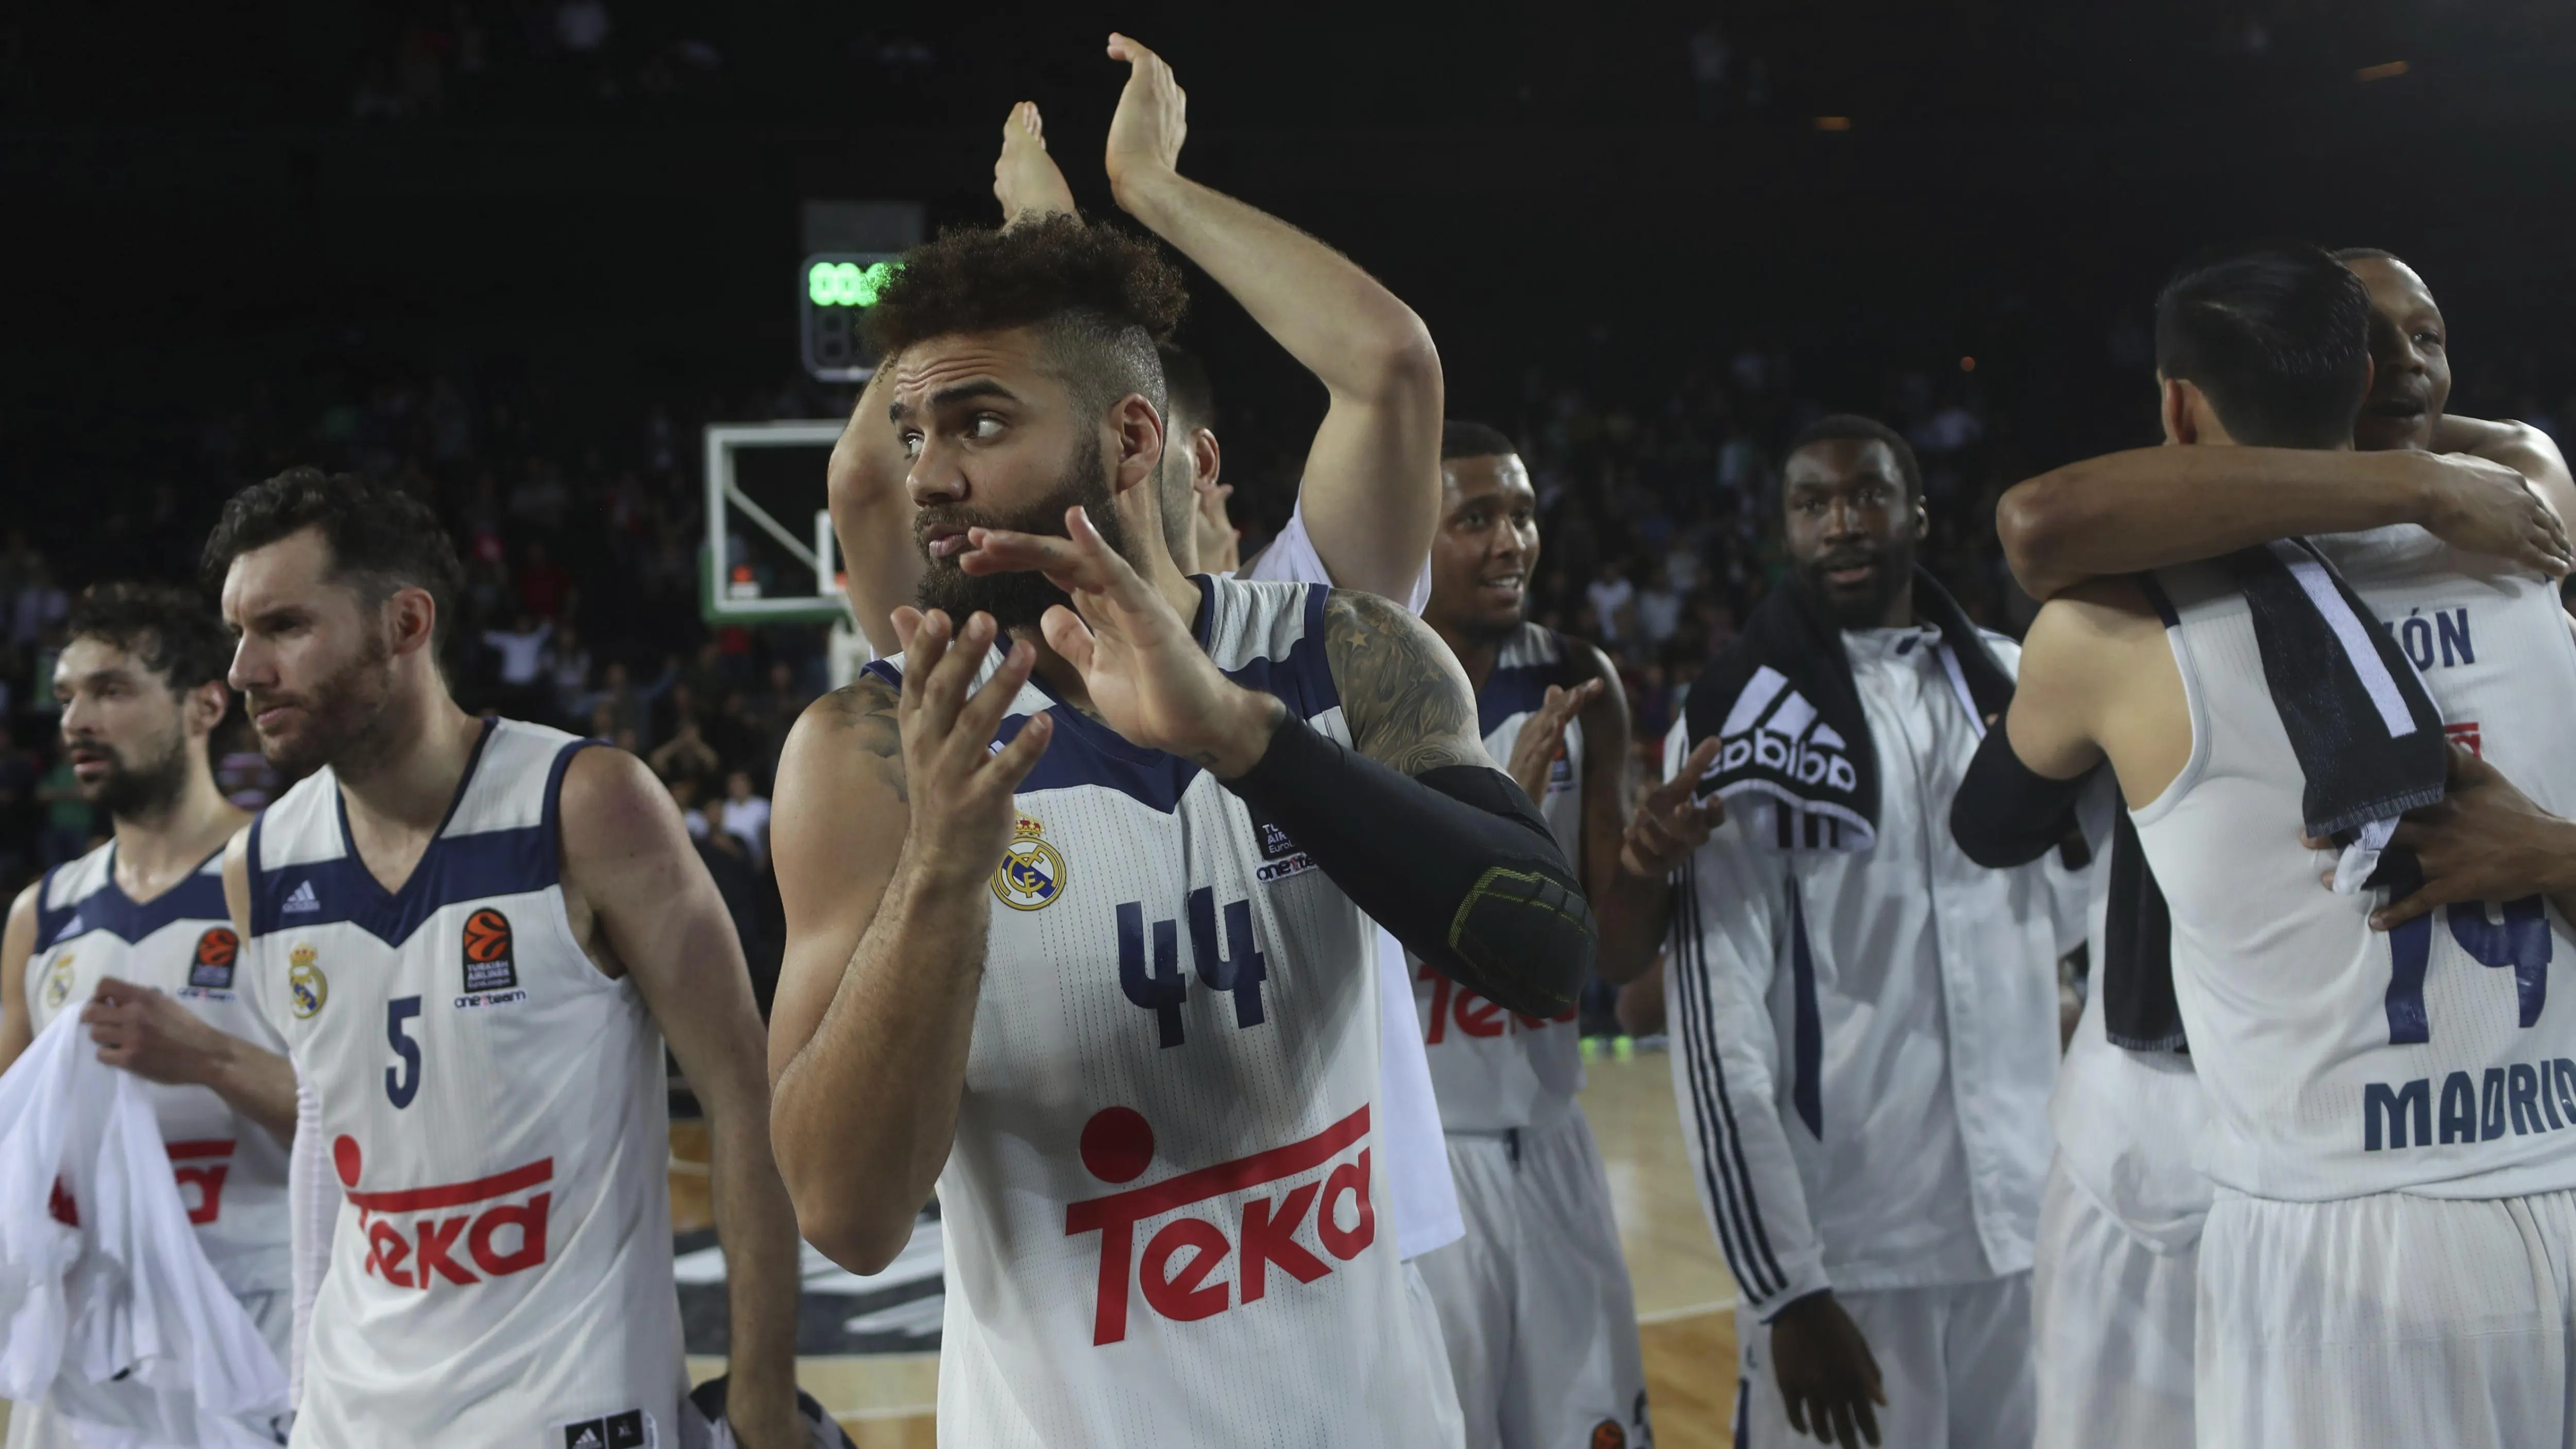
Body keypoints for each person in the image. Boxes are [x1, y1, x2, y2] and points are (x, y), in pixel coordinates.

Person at [766, 200, 1596, 1444]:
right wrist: (940, 870)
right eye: (913, 430)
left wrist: (1240, 736)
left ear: (1134, 437)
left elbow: (1547, 952)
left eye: (978, 423)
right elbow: (845, 1211)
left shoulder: (1347, 651)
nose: (931, 473)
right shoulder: (871, 751)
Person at [823, 34, 1468, 1297]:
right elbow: (864, 481)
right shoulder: (970, 669)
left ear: (1172, 449)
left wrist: (1149, 194)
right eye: (938, 431)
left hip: (1363, 1244)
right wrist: (1030, 260)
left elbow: (1388, 364)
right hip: (1101, 1291)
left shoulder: (1312, 620)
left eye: (990, 417)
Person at [1977, 241, 2576, 1445]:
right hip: (2520, 1164)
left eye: (2427, 337)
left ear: (2182, 403)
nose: (2406, 363)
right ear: (2319, 370)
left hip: (2335, 1220)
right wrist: (2407, 484)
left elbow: (2040, 526)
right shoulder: (2516, 548)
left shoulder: (2135, 612)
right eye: (2370, 341)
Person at [204, 469, 804, 1449]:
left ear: (405, 624)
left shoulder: (587, 805)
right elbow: (327, 1130)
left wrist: (765, 1406)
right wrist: (308, 1390)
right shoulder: (258, 867)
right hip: (355, 1419)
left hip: (573, 1409)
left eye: (283, 627)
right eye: (238, 632)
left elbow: (744, 1095)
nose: (243, 670)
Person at [1670, 416, 2081, 1449]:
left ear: (1919, 513)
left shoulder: (2017, 683)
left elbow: (2084, 928)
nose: (1843, 522)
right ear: (1782, 529)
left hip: (2028, 1229)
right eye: (1813, 504)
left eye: (1867, 496)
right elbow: (1717, 1026)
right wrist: (1785, 1287)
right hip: (1851, 1251)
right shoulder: (1732, 719)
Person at [1404, 421, 1672, 1448]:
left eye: (1520, 513)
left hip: (1553, 1138)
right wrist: (1488, 849)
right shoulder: (1343, 685)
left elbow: (1615, 956)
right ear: (1412, 531)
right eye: (1475, 517)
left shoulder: (1576, 676)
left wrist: (1645, 861)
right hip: (1419, 1165)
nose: (1510, 540)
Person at [0, 583, 297, 1449]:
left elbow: (368, 1124)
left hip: (261, 1315)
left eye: (112, 690)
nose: (76, 721)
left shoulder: (291, 877)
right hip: (92, 1339)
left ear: (206, 705)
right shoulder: (42, 915)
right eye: (66, 697)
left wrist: (209, 1058)